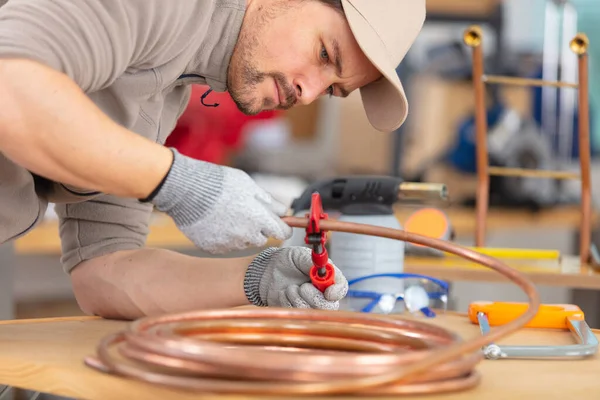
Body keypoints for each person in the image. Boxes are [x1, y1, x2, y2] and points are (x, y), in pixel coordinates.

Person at [0, 0, 425, 319]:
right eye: (324, 55)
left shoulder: (170, 87)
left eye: (332, 89)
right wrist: (174, 180)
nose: (308, 92)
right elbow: (10, 91)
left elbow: (101, 272)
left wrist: (256, 279)